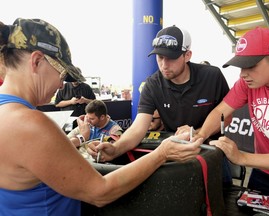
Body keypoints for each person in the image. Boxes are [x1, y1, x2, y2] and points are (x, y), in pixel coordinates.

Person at [0, 18, 203, 215]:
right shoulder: (30, 124)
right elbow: (100, 192)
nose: (62, 85)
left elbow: (34, 163)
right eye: (62, 75)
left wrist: (84, 141)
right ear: (36, 61)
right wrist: (162, 154)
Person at [87, 25, 232, 184]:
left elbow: (227, 117)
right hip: (176, 157)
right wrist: (115, 148)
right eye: (160, 57)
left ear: (187, 55)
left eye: (171, 57)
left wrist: (198, 133)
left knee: (223, 203)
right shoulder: (152, 84)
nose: (164, 64)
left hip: (212, 155)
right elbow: (138, 128)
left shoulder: (212, 76)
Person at [196, 27, 269, 197]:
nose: (243, 74)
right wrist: (199, 136)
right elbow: (220, 112)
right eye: (240, 66)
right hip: (263, 173)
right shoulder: (247, 82)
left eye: (250, 66)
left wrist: (242, 158)